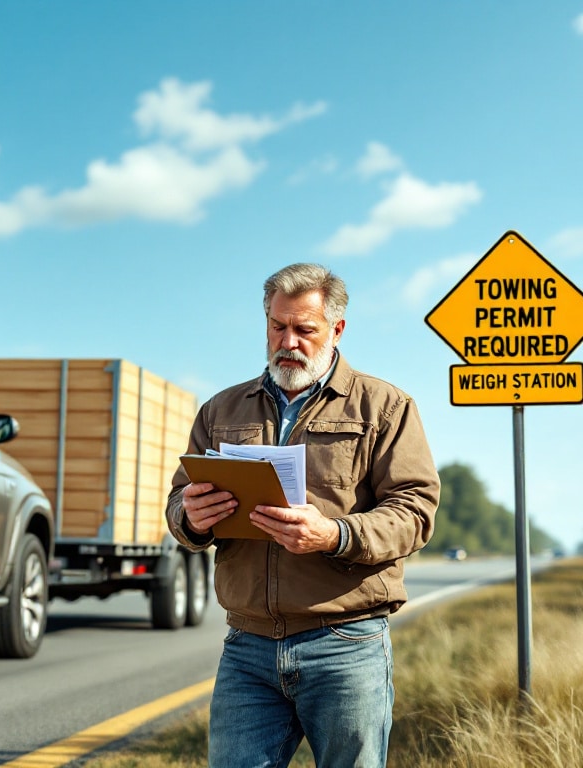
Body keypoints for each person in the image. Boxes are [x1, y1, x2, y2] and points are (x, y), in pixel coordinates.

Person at [165, 263, 439, 768]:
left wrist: (334, 533)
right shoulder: (221, 410)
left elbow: (415, 509)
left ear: (336, 330)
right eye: (277, 325)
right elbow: (180, 501)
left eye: (304, 329)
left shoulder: (385, 407)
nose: (287, 341)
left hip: (345, 645)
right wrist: (191, 516)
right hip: (246, 647)